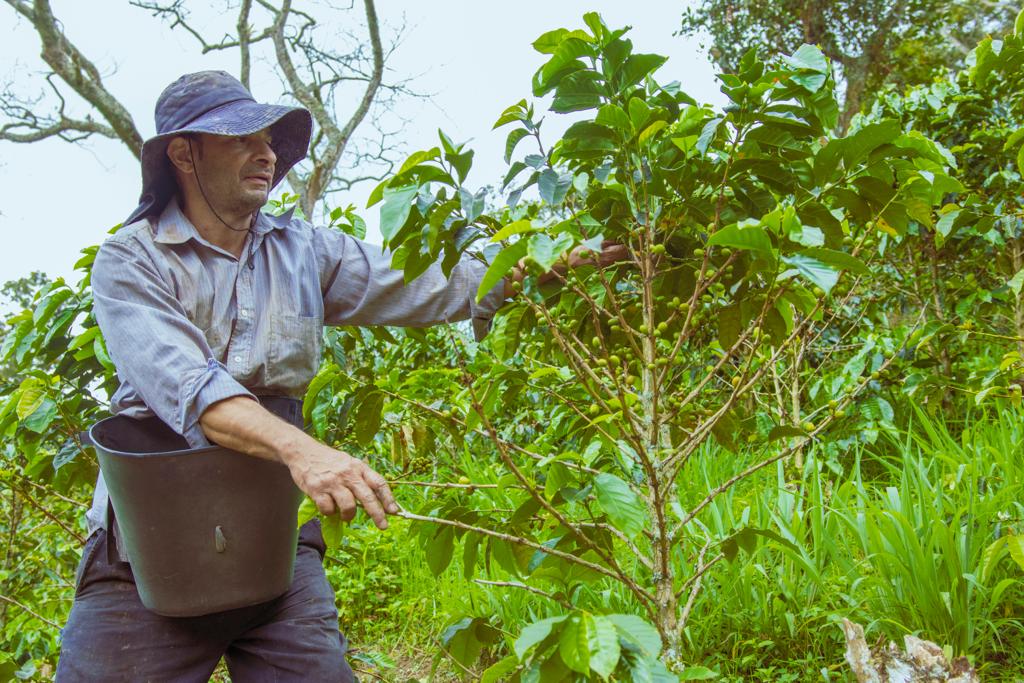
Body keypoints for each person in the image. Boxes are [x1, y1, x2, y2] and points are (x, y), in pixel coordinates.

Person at [56, 70, 622, 681]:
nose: (267, 153)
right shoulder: (131, 260)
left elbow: (429, 281)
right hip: (149, 547)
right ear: (183, 153)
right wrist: (309, 454)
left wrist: (545, 264)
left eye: (270, 139)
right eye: (241, 138)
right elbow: (191, 388)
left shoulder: (306, 250)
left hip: (271, 539)